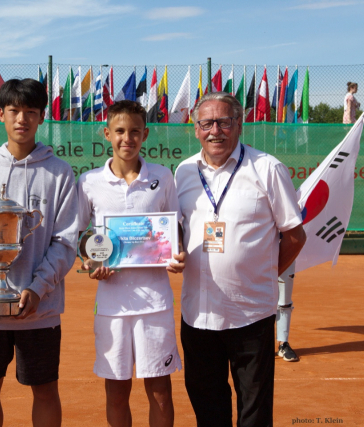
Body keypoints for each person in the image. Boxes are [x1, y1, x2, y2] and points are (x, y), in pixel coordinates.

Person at [174, 92, 306, 427]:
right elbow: (177, 229)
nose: (215, 130)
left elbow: (294, 236)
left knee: (254, 412)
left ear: (239, 124)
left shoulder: (267, 168)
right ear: (195, 128)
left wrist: (262, 276)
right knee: (208, 407)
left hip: (251, 315)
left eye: (224, 121)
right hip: (198, 315)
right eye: (206, 123)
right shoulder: (184, 171)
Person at [0, 78, 78, 427]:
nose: (21, 119)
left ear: (41, 117)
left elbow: (66, 240)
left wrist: (38, 288)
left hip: (39, 309)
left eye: (30, 112)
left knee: (44, 389)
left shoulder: (58, 173)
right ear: (2, 115)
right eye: (14, 111)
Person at [77, 100, 186, 427]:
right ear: (107, 133)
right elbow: (78, 235)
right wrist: (88, 263)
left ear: (146, 134)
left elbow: (176, 231)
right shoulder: (89, 181)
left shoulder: (163, 177)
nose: (128, 138)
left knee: (160, 391)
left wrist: (178, 256)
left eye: (135, 131)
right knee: (117, 392)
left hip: (155, 303)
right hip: (111, 306)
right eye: (120, 131)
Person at [276, 261, 299, 362]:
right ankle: (260, 345)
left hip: (285, 248)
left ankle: (283, 344)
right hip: (257, 251)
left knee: (284, 299)